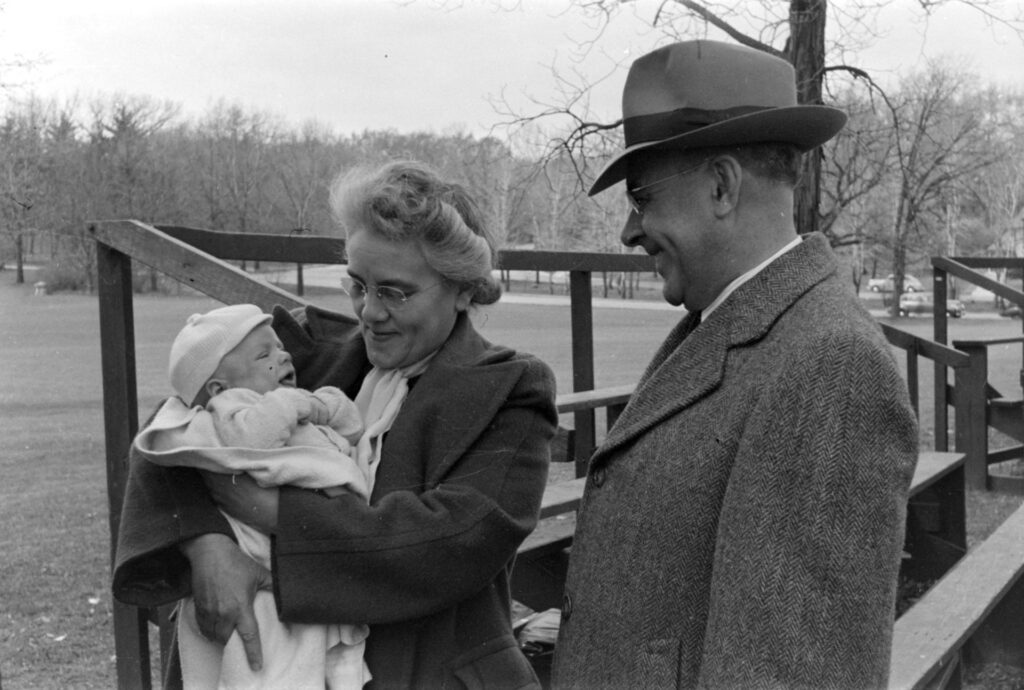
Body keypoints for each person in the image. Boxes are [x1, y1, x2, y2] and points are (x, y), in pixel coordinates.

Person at [551, 40, 919, 689]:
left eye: (642, 197)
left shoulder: (829, 362)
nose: (630, 231)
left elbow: (796, 672)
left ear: (722, 186)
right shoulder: (730, 324)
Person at [113, 159, 558, 689]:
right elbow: (169, 429)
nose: (368, 312)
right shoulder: (300, 351)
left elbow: (449, 542)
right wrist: (206, 545)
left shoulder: (509, 390)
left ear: (463, 291)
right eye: (357, 284)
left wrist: (268, 513)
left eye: (394, 292)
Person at [133, 303, 371, 689]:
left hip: (304, 564)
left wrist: (322, 405)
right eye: (265, 354)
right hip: (258, 565)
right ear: (218, 389)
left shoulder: (283, 400)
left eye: (279, 347)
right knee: (267, 667)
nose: (283, 355)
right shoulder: (231, 409)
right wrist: (296, 403)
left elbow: (351, 425)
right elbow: (253, 439)